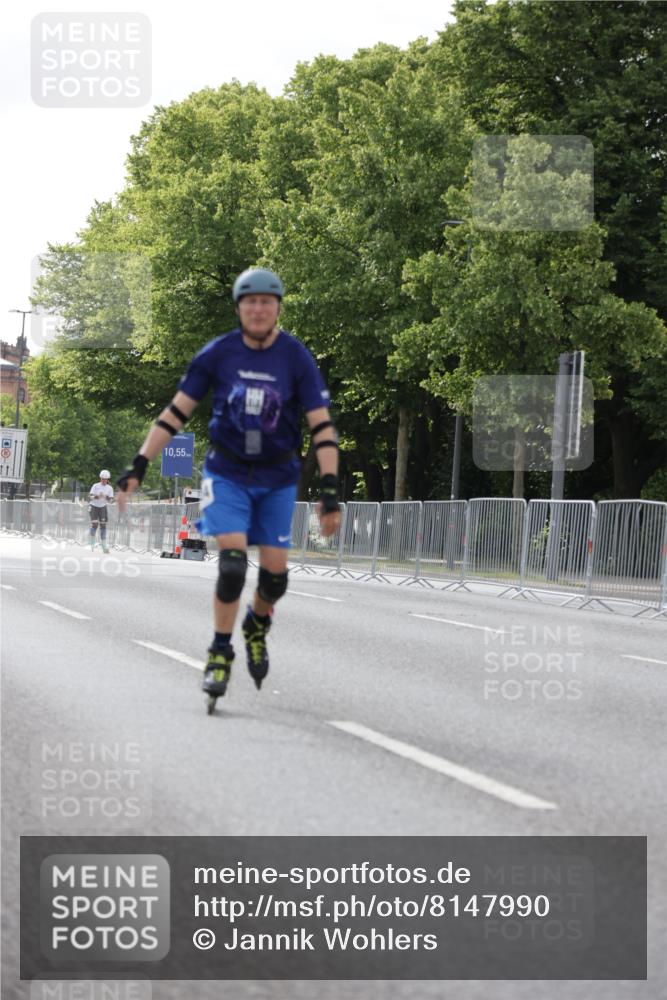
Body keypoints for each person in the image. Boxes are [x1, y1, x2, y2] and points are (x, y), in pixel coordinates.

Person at [117, 267, 341, 700]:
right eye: (250, 302)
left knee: (275, 580)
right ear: (239, 308)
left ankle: (257, 624)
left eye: (266, 302)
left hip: (277, 477)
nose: (258, 309)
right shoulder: (219, 353)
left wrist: (329, 489)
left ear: (277, 308)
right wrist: (139, 464)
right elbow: (175, 413)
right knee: (233, 566)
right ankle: (220, 651)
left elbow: (323, 427)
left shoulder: (296, 357)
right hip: (229, 472)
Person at [89, 470, 114, 553]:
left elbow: (111, 501)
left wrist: (106, 497)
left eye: (105, 479)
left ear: (108, 479)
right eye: (102, 479)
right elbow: (90, 496)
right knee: (95, 524)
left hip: (103, 507)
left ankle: (104, 546)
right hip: (94, 506)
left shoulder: (109, 488)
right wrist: (97, 496)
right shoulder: (95, 486)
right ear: (100, 478)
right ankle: (92, 541)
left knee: (103, 526)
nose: (104, 480)